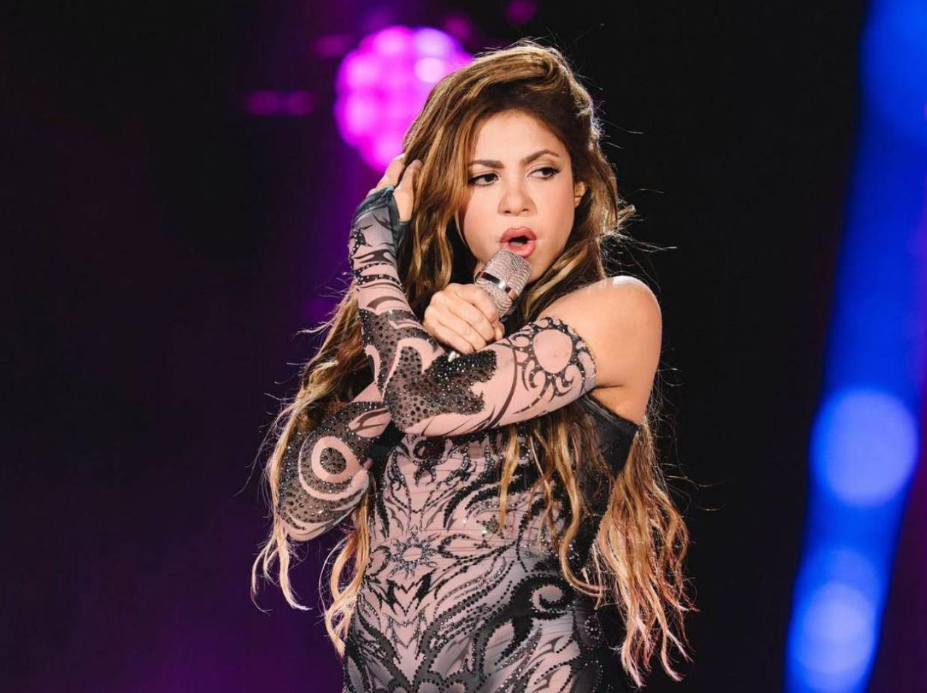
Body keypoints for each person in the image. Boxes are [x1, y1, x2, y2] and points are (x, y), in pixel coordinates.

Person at [252, 39, 696, 692]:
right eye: (485, 177)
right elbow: (301, 510)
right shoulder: (411, 341)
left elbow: (426, 406)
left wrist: (371, 250)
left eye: (541, 171)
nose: (516, 200)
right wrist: (420, 340)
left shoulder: (619, 308)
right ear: (452, 197)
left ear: (578, 184)